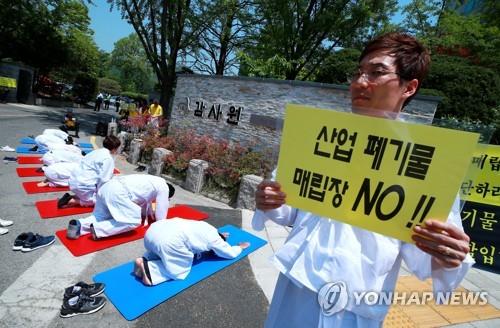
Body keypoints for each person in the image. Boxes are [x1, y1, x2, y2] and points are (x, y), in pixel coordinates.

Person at [254, 32, 473, 328]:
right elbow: (289, 208)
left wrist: (447, 255)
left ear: (409, 87)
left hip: (356, 301)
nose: (360, 82)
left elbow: (427, 254)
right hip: (297, 284)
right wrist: (270, 200)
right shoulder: (321, 138)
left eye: (377, 72)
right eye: (358, 72)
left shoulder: (426, 161)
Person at [133, 218, 250, 286]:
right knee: (179, 270)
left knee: (162, 250)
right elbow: (229, 253)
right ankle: (150, 271)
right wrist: (240, 247)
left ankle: (147, 258)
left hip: (152, 232)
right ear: (220, 239)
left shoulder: (205, 226)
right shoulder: (214, 239)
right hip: (168, 242)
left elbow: (210, 235)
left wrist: (220, 236)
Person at [65, 175, 176, 240]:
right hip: (119, 192)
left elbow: (142, 205)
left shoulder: (154, 180)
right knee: (133, 221)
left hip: (107, 188)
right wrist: (163, 227)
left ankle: (78, 225)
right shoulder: (164, 188)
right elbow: (161, 213)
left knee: (100, 216)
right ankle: (99, 229)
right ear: (168, 194)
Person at [58, 136, 121, 208]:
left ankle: (73, 196)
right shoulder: (108, 158)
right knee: (100, 201)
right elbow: (104, 179)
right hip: (83, 185)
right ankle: (72, 201)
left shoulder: (95, 152)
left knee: (90, 192)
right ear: (114, 148)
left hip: (73, 181)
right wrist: (101, 194)